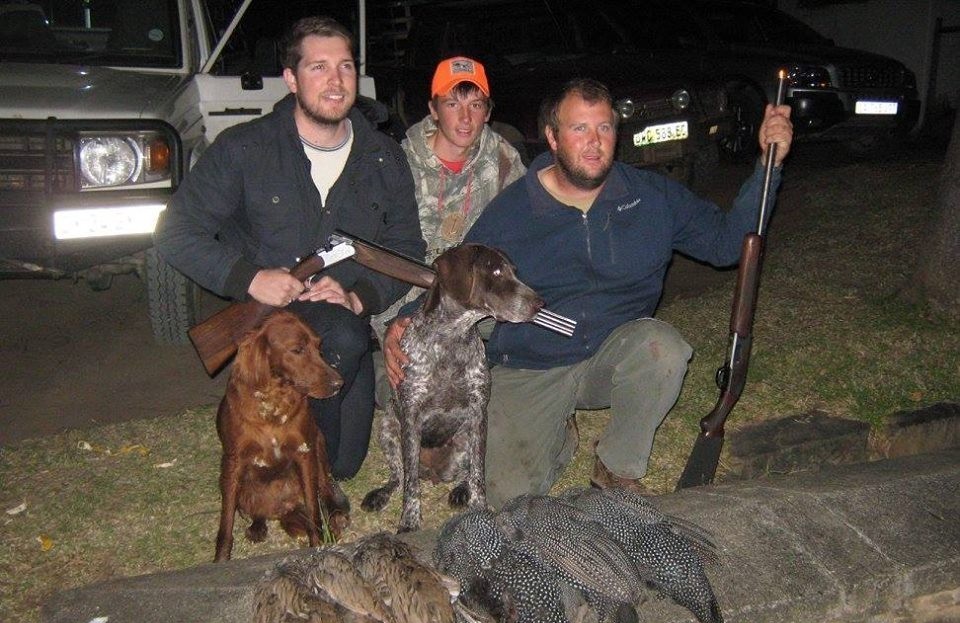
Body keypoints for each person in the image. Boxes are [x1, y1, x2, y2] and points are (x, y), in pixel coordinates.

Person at [385, 77, 793, 508]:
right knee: (505, 494)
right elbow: (462, 277)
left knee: (663, 348)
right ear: (553, 137)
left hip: (611, 353)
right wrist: (408, 317)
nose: (594, 142)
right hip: (533, 364)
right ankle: (559, 435)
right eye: (579, 129)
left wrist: (768, 165)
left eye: (604, 128)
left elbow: (727, 244)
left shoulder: (651, 196)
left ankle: (616, 466)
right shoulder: (515, 209)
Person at [155, 16, 424, 481]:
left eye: (345, 66)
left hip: (341, 321)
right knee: (343, 343)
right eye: (318, 67)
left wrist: (360, 296)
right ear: (291, 78)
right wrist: (250, 278)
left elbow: (405, 245)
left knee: (344, 464)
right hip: (272, 325)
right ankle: (283, 435)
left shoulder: (384, 155)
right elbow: (174, 231)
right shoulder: (244, 149)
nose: (336, 81)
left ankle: (313, 424)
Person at [371, 55, 524, 398]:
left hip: (475, 303)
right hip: (410, 303)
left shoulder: (504, 161)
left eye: (476, 104)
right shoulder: (397, 163)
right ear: (433, 108)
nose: (465, 117)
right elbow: (377, 256)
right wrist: (389, 326)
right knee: (405, 390)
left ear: (488, 110)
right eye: (452, 103)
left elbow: (520, 240)